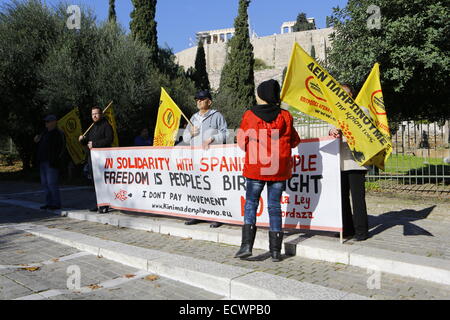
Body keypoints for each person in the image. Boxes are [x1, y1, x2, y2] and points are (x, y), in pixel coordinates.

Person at [235, 79, 301, 262]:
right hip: (278, 168)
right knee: (274, 207)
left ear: (261, 94)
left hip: (256, 167)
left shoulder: (249, 115)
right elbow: (295, 141)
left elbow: (241, 142)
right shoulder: (286, 116)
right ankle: (275, 252)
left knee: (251, 205)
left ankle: (246, 246)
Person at [329, 84, 370, 241]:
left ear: (352, 95)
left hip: (355, 161)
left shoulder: (362, 111)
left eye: (346, 94)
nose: (343, 96)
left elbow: (365, 135)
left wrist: (345, 133)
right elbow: (329, 130)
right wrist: (332, 132)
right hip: (339, 161)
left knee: (358, 198)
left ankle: (362, 231)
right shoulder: (334, 113)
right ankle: (346, 229)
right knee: (342, 197)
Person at [182, 90, 228, 228]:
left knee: (213, 187)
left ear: (209, 101)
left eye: (202, 99)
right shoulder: (193, 118)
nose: (198, 101)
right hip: (196, 159)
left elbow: (225, 133)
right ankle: (196, 214)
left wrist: (213, 138)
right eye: (197, 100)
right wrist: (190, 132)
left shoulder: (217, 116)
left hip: (212, 159)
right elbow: (184, 138)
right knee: (196, 187)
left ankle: (217, 216)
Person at [79, 106, 113, 214]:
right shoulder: (92, 127)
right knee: (95, 183)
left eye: (96, 113)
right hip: (92, 159)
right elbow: (87, 142)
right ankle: (98, 203)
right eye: (92, 114)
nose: (94, 116)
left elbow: (109, 140)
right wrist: (82, 140)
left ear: (101, 114)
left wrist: (95, 144)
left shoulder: (106, 126)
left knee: (103, 182)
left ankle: (105, 205)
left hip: (102, 158)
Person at [34, 115, 66, 210]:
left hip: (51, 162)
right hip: (42, 161)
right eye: (45, 121)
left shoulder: (58, 133)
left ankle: (56, 204)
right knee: (45, 184)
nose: (46, 123)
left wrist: (55, 159)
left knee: (52, 183)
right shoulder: (44, 133)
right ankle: (49, 202)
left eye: (48, 121)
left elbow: (61, 147)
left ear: (54, 122)